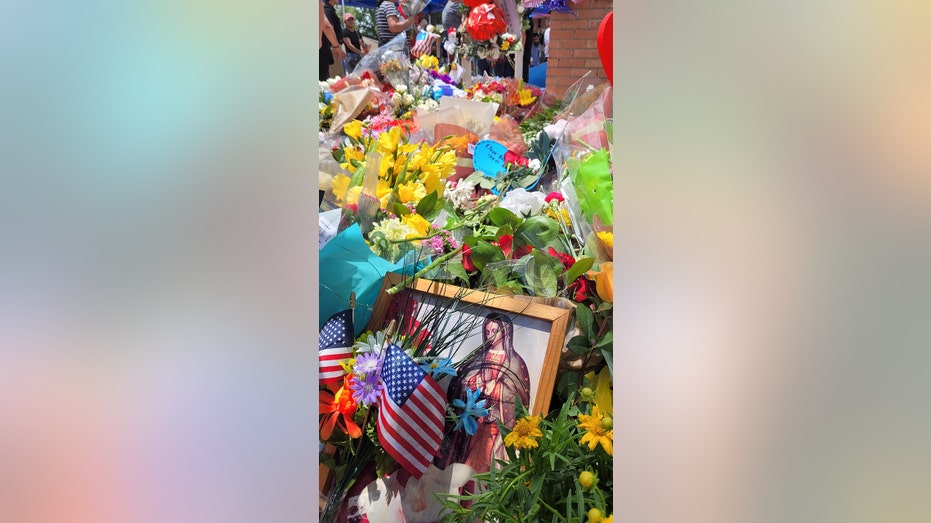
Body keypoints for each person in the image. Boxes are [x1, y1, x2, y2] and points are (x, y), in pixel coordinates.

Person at [435, 313, 531, 475]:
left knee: (480, 466)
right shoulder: (478, 357)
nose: (490, 335)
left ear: (505, 332)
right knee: (461, 466)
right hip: (471, 422)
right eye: (487, 331)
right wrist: (474, 383)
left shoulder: (515, 362)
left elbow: (518, 395)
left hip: (494, 426)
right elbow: (460, 382)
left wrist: (496, 388)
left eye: (495, 331)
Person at [319, 0, 345, 81]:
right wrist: (336, 46)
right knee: (335, 78)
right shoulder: (328, 9)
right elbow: (327, 26)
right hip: (328, 47)